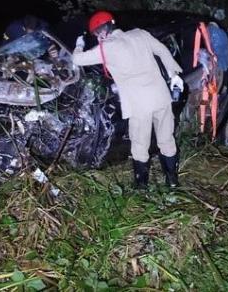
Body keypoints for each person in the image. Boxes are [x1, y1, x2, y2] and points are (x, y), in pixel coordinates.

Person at [72, 11, 184, 189]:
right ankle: (172, 182)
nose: (97, 39)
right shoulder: (140, 33)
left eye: (96, 35)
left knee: (140, 146)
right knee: (167, 139)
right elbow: (162, 50)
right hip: (161, 97)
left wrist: (79, 44)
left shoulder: (107, 47)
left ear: (102, 32)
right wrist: (173, 74)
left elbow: (77, 59)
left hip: (139, 105)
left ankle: (141, 187)